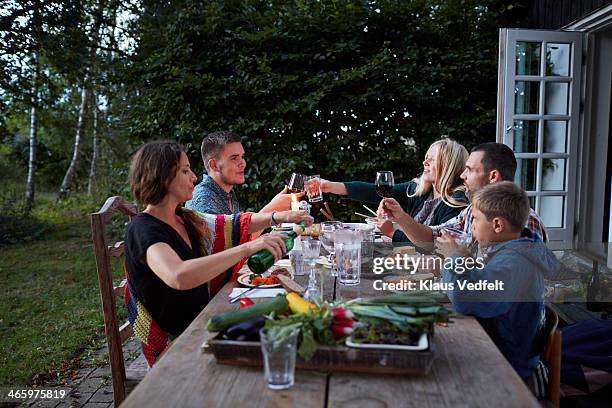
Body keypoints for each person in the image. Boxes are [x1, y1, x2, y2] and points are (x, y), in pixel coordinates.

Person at [124, 141, 311, 364]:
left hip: (206, 320)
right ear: (162, 177)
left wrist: (279, 217)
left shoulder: (183, 217)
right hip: (179, 341)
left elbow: (233, 223)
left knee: (283, 334)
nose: (194, 177)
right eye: (185, 171)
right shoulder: (143, 229)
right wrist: (250, 246)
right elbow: (178, 275)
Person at [436, 181, 559, 384]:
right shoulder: (513, 250)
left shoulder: (515, 261)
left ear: (497, 225)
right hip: (500, 352)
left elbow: (465, 299)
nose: (472, 226)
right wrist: (466, 261)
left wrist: (454, 258)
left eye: (475, 220)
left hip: (508, 369)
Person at [379, 142, 547, 251]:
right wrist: (400, 217)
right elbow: (431, 237)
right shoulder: (470, 213)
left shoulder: (523, 222)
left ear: (493, 176)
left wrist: (454, 261)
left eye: (470, 170)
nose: (462, 176)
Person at [321, 138, 469, 242]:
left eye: (432, 159)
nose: (425, 162)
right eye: (426, 157)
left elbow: (432, 244)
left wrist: (392, 232)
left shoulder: (456, 201)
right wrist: (330, 186)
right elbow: (373, 191)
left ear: (449, 165)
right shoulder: (417, 189)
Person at [185, 131, 298, 219]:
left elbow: (239, 240)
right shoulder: (202, 199)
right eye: (234, 158)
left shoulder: (228, 194)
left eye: (242, 157)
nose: (243, 164)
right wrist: (273, 209)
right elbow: (226, 246)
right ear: (214, 165)